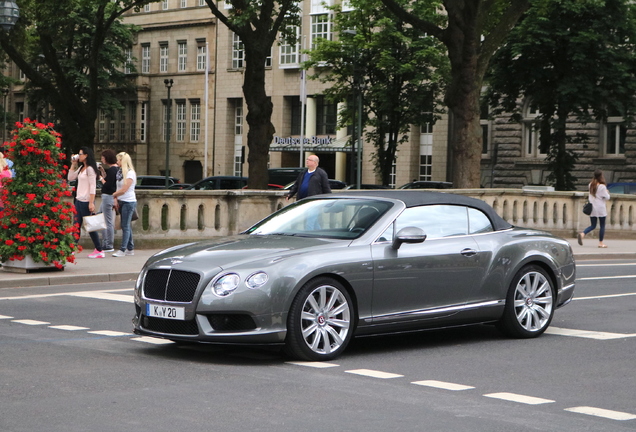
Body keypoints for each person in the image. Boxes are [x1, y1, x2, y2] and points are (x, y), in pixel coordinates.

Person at [68, 147, 104, 258]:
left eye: (80, 154)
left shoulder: (90, 169)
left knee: (90, 225)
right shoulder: (81, 168)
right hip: (79, 200)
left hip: (85, 200)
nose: (79, 156)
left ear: (86, 155)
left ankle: (99, 249)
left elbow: (92, 187)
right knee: (77, 224)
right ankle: (73, 247)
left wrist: (91, 202)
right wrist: (73, 164)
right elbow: (70, 178)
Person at [112, 152, 137, 257]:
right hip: (122, 200)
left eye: (119, 160)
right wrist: (116, 198)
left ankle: (123, 249)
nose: (117, 162)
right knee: (126, 225)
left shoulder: (130, 173)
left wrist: (114, 195)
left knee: (125, 226)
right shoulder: (120, 173)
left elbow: (124, 189)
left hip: (129, 201)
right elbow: (119, 188)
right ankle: (130, 248)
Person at [578, 169, 610, 248]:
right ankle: (601, 242)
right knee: (602, 225)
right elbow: (607, 197)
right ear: (601, 176)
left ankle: (583, 234)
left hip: (593, 207)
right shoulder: (602, 186)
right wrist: (607, 191)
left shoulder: (591, 185)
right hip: (601, 208)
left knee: (593, 225)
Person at [98, 149, 119, 253]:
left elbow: (108, 184)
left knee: (107, 221)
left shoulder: (112, 170)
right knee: (102, 216)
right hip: (109, 196)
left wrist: (101, 178)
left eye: (103, 157)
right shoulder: (115, 170)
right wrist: (102, 171)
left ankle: (108, 244)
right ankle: (106, 242)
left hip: (108, 196)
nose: (102, 159)